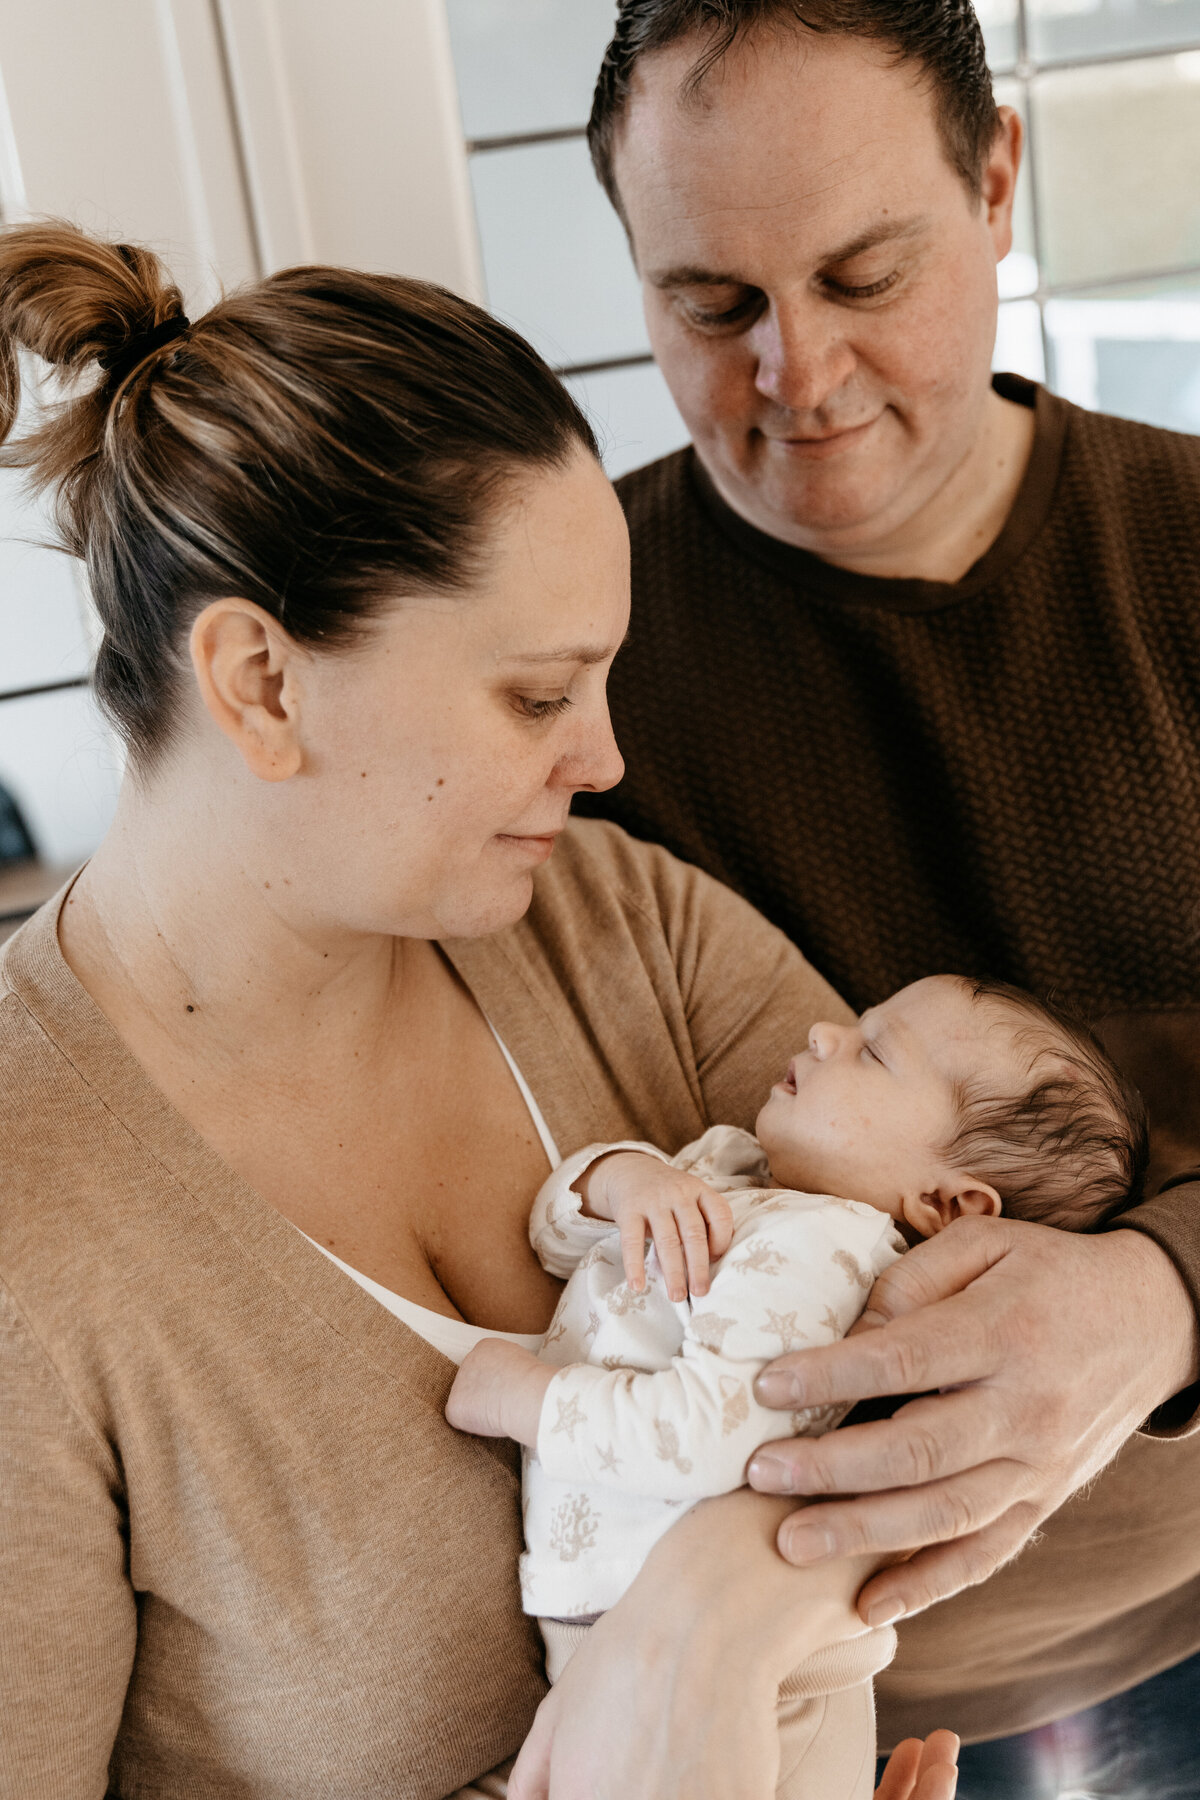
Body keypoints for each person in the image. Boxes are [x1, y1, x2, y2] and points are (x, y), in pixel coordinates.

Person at [0, 222, 957, 1800]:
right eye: (535, 696)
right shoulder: (35, 1235)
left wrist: (709, 1631)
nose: (604, 762)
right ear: (258, 683)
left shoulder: (607, 920)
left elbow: (980, 1317)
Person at [574, 0, 1200, 1788]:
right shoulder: (562, 649)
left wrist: (1165, 1292)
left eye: (865, 275)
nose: (800, 374)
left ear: (997, 181)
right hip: (790, 1691)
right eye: (713, 306)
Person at [447, 974, 1147, 1797]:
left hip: (768, 1683)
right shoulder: (737, 1172)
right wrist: (624, 1180)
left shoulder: (826, 1253)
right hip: (669, 1652)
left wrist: (522, 1399)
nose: (824, 1033)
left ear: (949, 1205)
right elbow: (559, 1242)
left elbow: (697, 1438)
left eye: (875, 1052)